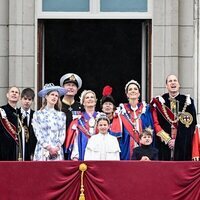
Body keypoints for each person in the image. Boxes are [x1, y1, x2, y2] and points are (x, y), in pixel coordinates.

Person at [151, 74, 197, 161]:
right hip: (164, 145)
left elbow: (192, 125)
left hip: (183, 146)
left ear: (179, 85)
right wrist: (167, 139)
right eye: (170, 81)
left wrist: (178, 141)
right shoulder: (160, 101)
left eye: (175, 80)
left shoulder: (188, 101)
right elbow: (156, 124)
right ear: (166, 86)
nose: (173, 83)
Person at [110, 80, 154, 160]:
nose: (133, 91)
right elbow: (116, 136)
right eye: (130, 89)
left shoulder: (146, 109)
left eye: (135, 89)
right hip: (126, 147)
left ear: (139, 93)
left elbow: (150, 128)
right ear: (127, 94)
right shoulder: (121, 111)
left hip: (144, 147)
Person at [32, 83, 67, 161]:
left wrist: (57, 147)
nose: (54, 97)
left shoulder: (61, 115)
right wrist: (48, 147)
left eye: (56, 96)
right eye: (52, 94)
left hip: (57, 150)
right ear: (46, 96)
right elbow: (38, 133)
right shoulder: (37, 114)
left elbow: (62, 133)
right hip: (42, 150)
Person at [65, 90, 98, 160]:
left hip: (99, 153)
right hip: (82, 152)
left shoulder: (101, 118)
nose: (90, 99)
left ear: (95, 101)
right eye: (87, 97)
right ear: (83, 102)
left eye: (92, 97)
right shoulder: (78, 120)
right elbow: (75, 140)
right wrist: (75, 156)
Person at [60, 73, 84, 159]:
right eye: (68, 85)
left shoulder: (81, 107)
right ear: (62, 88)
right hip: (60, 144)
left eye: (73, 85)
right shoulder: (57, 106)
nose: (71, 87)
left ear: (77, 89)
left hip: (76, 145)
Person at [0, 86, 21, 161]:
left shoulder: (20, 113)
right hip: (3, 149)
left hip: (16, 150)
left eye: (16, 92)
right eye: (12, 92)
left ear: (19, 97)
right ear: (7, 95)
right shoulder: (1, 111)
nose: (14, 94)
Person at [17, 88, 37, 160]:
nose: (27, 101)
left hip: (31, 151)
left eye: (29, 99)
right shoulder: (15, 113)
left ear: (32, 101)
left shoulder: (36, 115)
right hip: (18, 150)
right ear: (21, 99)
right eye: (25, 99)